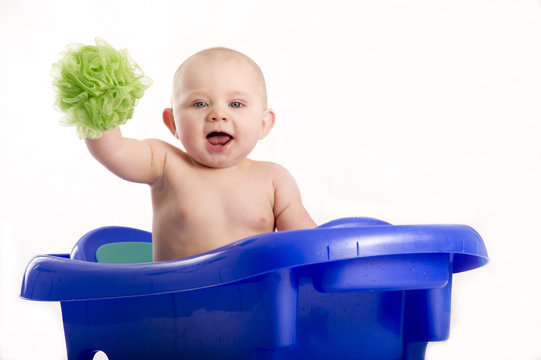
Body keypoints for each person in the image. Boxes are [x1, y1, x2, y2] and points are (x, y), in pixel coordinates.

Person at [85, 47, 316, 261]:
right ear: (173, 123)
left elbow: (308, 246)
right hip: (177, 301)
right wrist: (98, 104)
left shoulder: (274, 180)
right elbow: (113, 151)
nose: (218, 114)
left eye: (236, 104)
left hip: (253, 302)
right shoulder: (165, 163)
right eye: (199, 104)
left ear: (264, 124)